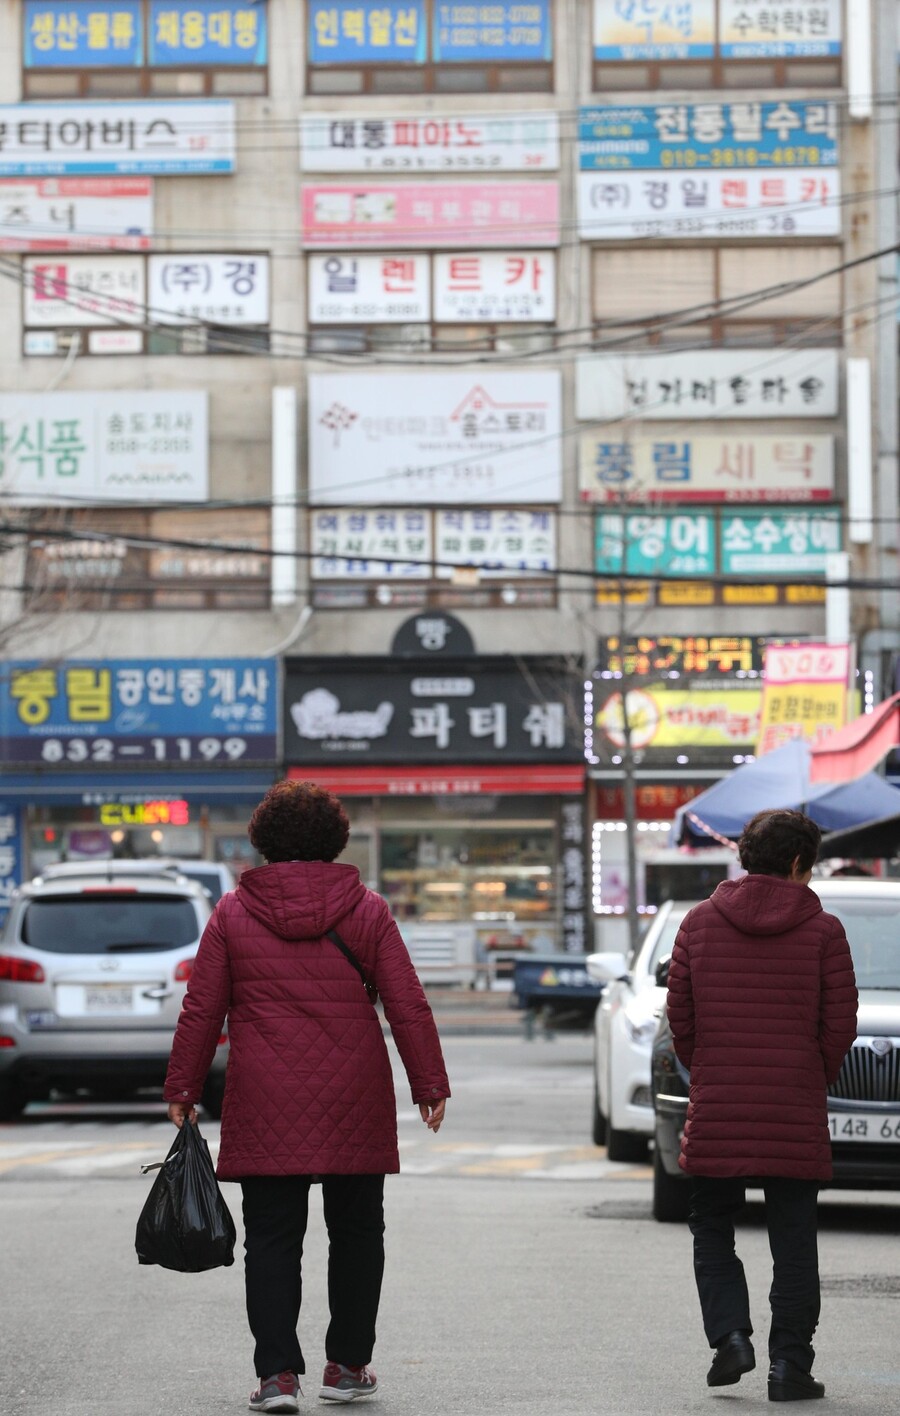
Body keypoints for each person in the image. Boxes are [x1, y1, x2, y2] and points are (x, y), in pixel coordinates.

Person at [164, 780, 451, 1413]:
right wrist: (428, 1084)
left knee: (270, 1237)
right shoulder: (367, 910)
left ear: (264, 841)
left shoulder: (233, 914)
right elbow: (407, 1003)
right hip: (354, 1090)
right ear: (334, 840)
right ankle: (346, 1366)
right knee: (356, 1231)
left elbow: (201, 1008)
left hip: (266, 1093)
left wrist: (183, 1085)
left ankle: (277, 1377)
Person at [667, 808, 857, 1403]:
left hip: (720, 1102)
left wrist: (712, 1073)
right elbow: (839, 1026)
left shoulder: (698, 924)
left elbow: (681, 1018)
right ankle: (789, 1367)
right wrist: (809, 1077)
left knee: (711, 1223)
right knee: (795, 1238)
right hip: (793, 1107)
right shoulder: (825, 931)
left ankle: (730, 1338)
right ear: (800, 863)